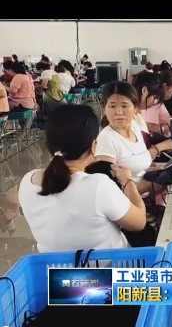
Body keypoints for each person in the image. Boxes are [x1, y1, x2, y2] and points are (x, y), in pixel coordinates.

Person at [18, 104, 146, 252]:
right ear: (93, 146)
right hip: (109, 265)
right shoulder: (98, 185)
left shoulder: (28, 181)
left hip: (54, 266)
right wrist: (128, 181)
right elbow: (139, 222)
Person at [95, 81, 172, 193]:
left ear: (135, 107)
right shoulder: (106, 139)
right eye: (112, 106)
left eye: (124, 106)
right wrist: (149, 186)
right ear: (104, 108)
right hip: (131, 202)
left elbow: (134, 165)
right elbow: (109, 191)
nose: (119, 112)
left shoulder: (134, 126)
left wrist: (151, 171)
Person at [133, 71, 172, 137]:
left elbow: (170, 124)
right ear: (144, 90)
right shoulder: (129, 113)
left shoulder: (137, 113)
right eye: (155, 97)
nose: (155, 102)